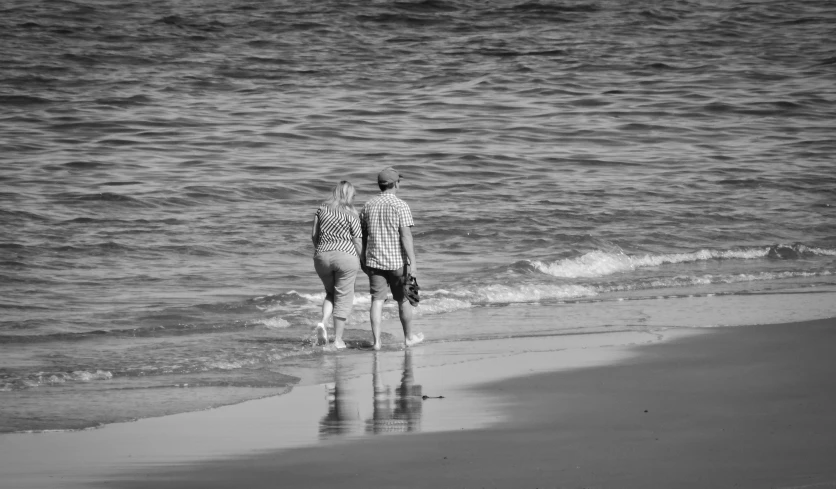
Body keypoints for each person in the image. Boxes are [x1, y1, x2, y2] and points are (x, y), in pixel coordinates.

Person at [360, 167, 424, 350]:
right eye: (399, 181)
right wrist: (413, 261)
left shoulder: (368, 205)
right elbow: (406, 235)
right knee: (404, 299)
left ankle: (377, 342)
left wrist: (363, 258)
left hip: (374, 261)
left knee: (377, 300)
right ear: (395, 183)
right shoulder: (400, 205)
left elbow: (362, 236)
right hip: (398, 262)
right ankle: (408, 338)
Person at [311, 181, 362, 349]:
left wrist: (322, 250)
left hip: (322, 257)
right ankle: (338, 340)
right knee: (343, 298)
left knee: (330, 293)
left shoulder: (322, 209)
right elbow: (357, 241)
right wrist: (364, 262)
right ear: (349, 196)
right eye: (353, 196)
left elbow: (314, 235)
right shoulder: (352, 214)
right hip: (346, 257)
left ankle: (324, 323)